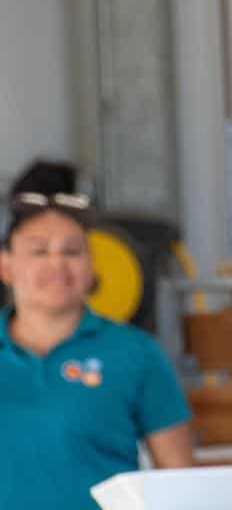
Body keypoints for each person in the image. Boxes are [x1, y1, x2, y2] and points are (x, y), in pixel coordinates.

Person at [0, 161, 193, 509]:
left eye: (72, 251)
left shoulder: (137, 353)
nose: (57, 265)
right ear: (6, 265)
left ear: (91, 266)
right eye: (39, 250)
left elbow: (179, 484)